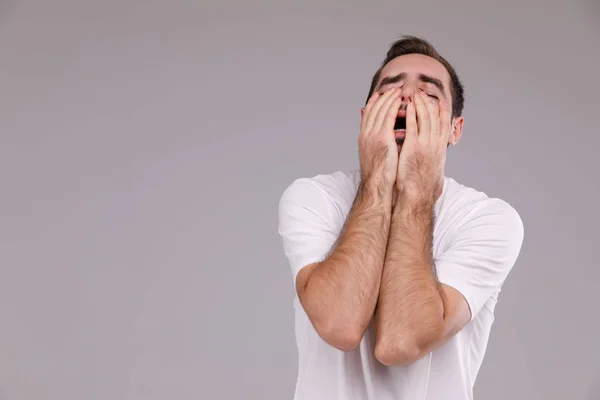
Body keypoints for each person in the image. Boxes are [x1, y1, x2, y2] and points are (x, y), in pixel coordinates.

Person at [277, 35, 525, 400]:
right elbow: (339, 326)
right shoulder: (313, 198)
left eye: (429, 93)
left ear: (454, 129)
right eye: (391, 90)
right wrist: (378, 179)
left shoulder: (487, 219)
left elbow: (400, 342)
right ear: (366, 119)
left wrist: (414, 190)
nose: (407, 97)